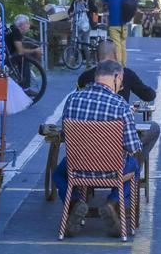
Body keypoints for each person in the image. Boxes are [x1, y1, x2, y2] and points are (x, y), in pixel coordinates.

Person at [54, 60, 141, 238]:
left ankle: (75, 202)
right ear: (117, 77)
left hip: (77, 168)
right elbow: (132, 147)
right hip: (112, 170)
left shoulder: (72, 100)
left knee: (58, 173)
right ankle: (113, 203)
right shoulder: (121, 106)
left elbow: (65, 134)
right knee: (134, 165)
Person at [78, 40, 160, 158]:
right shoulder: (122, 105)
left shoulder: (77, 92)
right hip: (113, 156)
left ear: (96, 57)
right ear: (116, 56)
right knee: (152, 129)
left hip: (82, 157)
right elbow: (149, 95)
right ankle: (132, 172)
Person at [101, 0, 130, 64]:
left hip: (113, 23)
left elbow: (100, 4)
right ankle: (124, 65)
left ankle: (118, 65)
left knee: (116, 45)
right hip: (124, 23)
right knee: (123, 45)